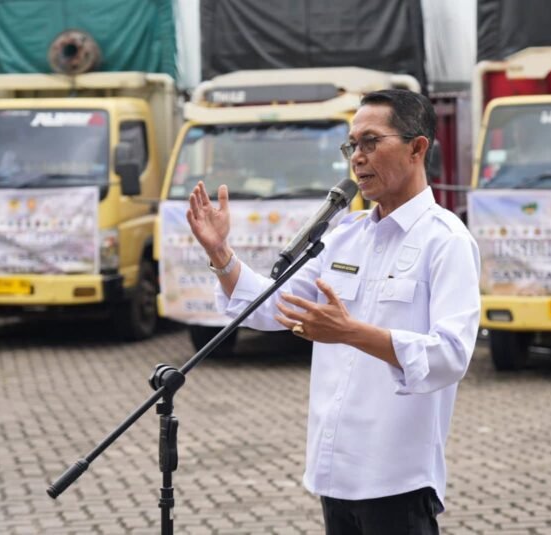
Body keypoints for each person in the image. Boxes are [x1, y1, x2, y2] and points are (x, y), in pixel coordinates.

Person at [187, 89, 481, 535]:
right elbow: (271, 308)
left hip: (396, 477)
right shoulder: (346, 236)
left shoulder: (447, 240)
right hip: (335, 472)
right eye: (351, 146)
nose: (357, 158)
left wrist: (349, 332)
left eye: (370, 142)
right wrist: (221, 254)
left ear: (417, 147)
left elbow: (450, 356)